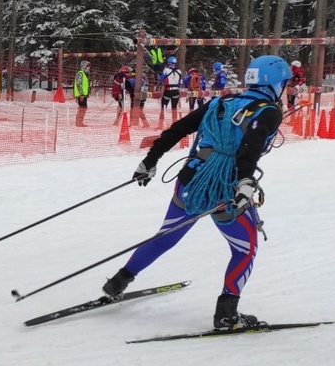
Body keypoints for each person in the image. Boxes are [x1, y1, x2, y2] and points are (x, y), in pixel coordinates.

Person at [101, 55, 291, 332]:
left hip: (191, 178)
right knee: (245, 249)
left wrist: (150, 161)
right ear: (276, 83)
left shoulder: (221, 102)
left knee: (166, 237)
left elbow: (179, 129)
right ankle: (226, 315)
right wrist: (246, 181)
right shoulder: (268, 111)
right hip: (225, 187)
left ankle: (118, 281)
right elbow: (250, 147)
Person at [159, 56, 184, 120]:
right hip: (176, 91)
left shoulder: (166, 70)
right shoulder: (179, 71)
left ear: (168, 63)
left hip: (168, 91)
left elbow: (161, 80)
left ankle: (161, 124)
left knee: (163, 107)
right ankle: (174, 122)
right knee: (174, 108)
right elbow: (180, 82)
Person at [73, 60, 91, 127]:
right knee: (82, 108)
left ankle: (80, 122)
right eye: (88, 66)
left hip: (84, 94)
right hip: (81, 95)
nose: (89, 68)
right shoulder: (80, 73)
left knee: (83, 107)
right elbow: (79, 84)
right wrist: (81, 94)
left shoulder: (84, 74)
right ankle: (79, 122)